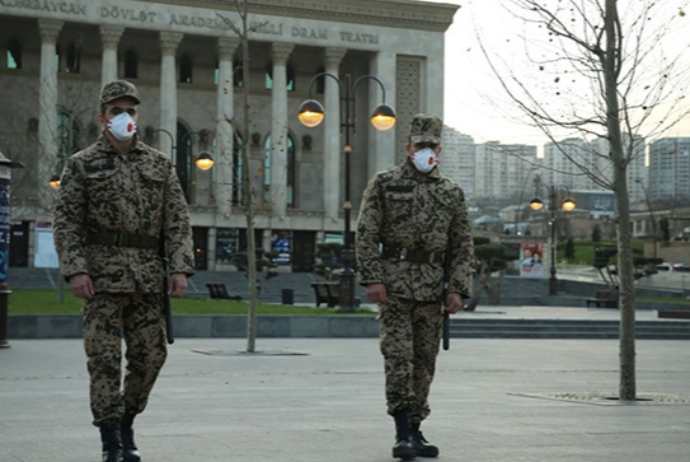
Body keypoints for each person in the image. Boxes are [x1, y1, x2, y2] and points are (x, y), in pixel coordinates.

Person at [53, 79, 195, 462]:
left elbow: (177, 220)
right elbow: (67, 222)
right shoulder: (81, 164)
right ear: (103, 118)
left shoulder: (159, 164)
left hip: (148, 278)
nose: (124, 116)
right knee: (103, 359)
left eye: (130, 110)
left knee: (151, 357)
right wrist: (76, 270)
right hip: (100, 278)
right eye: (117, 110)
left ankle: (128, 418)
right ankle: (111, 441)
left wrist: (180, 268)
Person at [356, 113, 474, 460]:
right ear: (409, 148)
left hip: (432, 291)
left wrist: (458, 288)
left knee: (424, 362)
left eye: (432, 146)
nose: (426, 151)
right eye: (420, 145)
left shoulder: (451, 192)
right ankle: (402, 429)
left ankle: (417, 428)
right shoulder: (385, 182)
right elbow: (366, 234)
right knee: (399, 359)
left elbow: (463, 244)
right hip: (393, 288)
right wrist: (372, 277)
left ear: (439, 149)